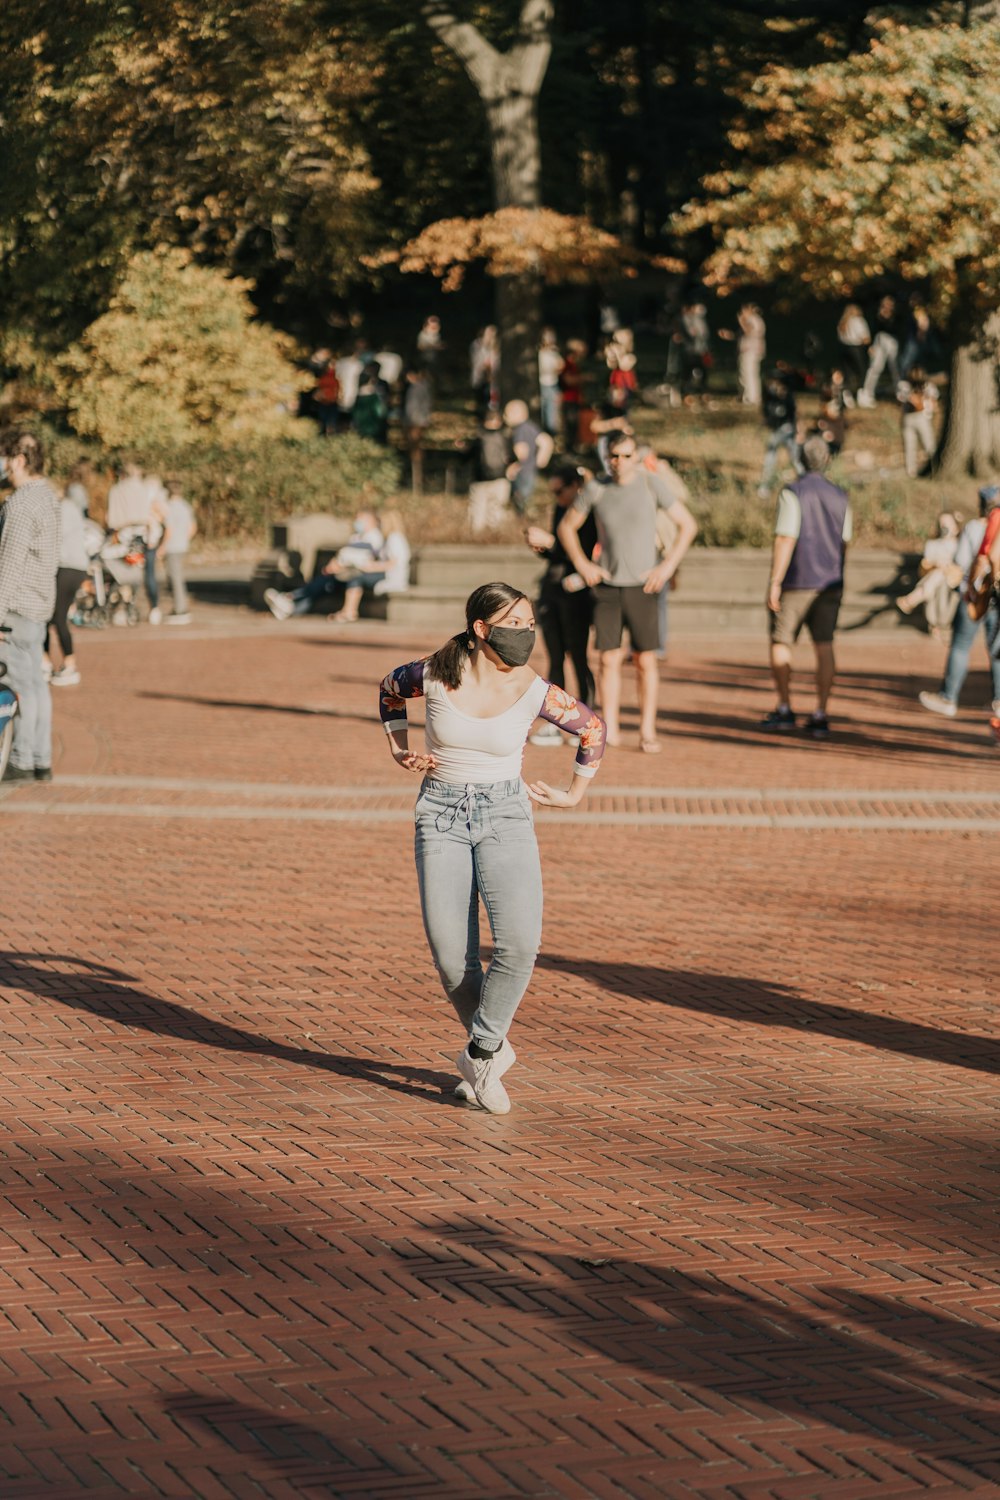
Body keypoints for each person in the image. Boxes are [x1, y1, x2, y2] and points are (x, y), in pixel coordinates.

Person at [378, 581, 606, 1113]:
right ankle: (491, 1055)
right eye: (516, 625)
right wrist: (399, 746)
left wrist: (574, 794)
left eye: (530, 625)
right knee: (451, 957)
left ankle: (480, 1052)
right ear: (482, 630)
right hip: (441, 813)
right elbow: (388, 689)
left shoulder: (534, 690)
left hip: (506, 813)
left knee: (521, 945)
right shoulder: (433, 673)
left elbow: (592, 729)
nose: (526, 634)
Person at [557, 428, 697, 752]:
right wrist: (583, 564)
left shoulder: (651, 483)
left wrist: (666, 567)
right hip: (607, 586)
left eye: (626, 456)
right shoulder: (597, 488)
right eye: (613, 456)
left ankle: (647, 730)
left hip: (644, 585)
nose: (619, 462)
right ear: (607, 458)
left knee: (645, 660)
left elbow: (687, 525)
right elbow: (567, 527)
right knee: (608, 659)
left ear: (636, 456)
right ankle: (612, 728)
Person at [761, 435, 852, 739]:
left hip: (798, 581)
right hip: (830, 582)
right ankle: (821, 710)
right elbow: (844, 543)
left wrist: (775, 581)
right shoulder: (841, 496)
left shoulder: (794, 492)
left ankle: (785, 706)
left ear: (801, 459)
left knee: (781, 641)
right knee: (824, 645)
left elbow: (786, 537)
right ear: (827, 460)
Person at [0, 429, 60, 783]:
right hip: (38, 605)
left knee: (21, 686)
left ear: (19, 460)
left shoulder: (21, 505)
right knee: (36, 685)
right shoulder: (47, 498)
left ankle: (21, 758)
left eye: (6, 458)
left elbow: (7, 567)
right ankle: (41, 758)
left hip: (17, 610)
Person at [524, 465, 598, 743]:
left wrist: (552, 542)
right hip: (553, 589)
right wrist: (545, 547)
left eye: (560, 490)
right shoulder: (561, 509)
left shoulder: (588, 511)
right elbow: (559, 555)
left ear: (576, 486)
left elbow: (584, 552)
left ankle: (587, 718)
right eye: (552, 491)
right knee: (554, 657)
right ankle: (556, 719)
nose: (556, 496)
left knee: (578, 656)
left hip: (576, 593)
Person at [918, 487, 1000, 720]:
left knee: (961, 645)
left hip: (975, 594)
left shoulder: (975, 527)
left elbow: (963, 561)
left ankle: (949, 696)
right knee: (995, 648)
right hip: (996, 596)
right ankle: (998, 700)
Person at [264, 510, 384, 620]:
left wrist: (339, 565)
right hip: (345, 573)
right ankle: (291, 606)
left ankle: (289, 598)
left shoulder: (374, 537)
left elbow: (361, 558)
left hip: (358, 574)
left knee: (324, 583)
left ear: (371, 520)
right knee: (323, 584)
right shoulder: (356, 537)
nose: (357, 522)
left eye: (360, 519)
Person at [44, 486, 91, 686]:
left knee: (56, 616)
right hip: (76, 566)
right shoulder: (71, 507)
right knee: (53, 617)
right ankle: (48, 662)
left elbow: (53, 536)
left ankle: (68, 664)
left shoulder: (61, 509)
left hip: (67, 566)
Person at [331, 510, 411, 623]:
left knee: (356, 578)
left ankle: (349, 612)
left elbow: (394, 563)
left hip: (392, 576)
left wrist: (372, 567)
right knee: (354, 577)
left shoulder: (395, 538)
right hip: (385, 573)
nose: (379, 525)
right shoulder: (388, 538)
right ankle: (348, 611)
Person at [896, 510, 961, 635]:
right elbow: (926, 565)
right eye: (942, 523)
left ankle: (913, 599)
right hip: (934, 579)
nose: (944, 526)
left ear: (955, 526)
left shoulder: (958, 545)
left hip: (951, 580)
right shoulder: (932, 544)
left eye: (947, 523)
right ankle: (938, 624)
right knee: (937, 576)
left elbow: (959, 567)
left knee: (939, 576)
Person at [466, 410, 513, 535]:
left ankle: (476, 536)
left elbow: (466, 457)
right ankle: (496, 536)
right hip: (500, 479)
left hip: (479, 480)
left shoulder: (478, 437)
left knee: (478, 509)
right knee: (496, 510)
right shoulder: (506, 437)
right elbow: (513, 457)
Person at [504, 400, 553, 515]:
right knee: (527, 497)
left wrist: (513, 466)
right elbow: (546, 441)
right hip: (531, 469)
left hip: (522, 470)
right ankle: (528, 516)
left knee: (520, 499)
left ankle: (521, 519)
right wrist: (541, 460)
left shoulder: (519, 430)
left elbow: (521, 452)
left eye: (506, 414)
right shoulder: (531, 426)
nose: (504, 418)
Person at [757, 368, 802, 497]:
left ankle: (805, 482)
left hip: (787, 430)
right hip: (776, 430)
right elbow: (766, 412)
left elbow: (793, 414)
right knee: (770, 459)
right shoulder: (768, 396)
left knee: (796, 458)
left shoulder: (787, 396)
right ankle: (765, 486)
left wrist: (797, 430)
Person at [160, 479, 197, 624]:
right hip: (182, 546)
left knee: (174, 578)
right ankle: (180, 607)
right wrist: (184, 539)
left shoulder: (169, 507)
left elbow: (169, 530)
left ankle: (180, 609)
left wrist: (162, 546)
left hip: (172, 547)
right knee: (177, 577)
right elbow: (193, 527)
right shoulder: (186, 506)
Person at [858, 294, 900, 406]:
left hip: (891, 342)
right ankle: (867, 393)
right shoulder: (875, 315)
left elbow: (896, 331)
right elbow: (872, 331)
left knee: (895, 368)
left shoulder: (896, 317)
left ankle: (900, 393)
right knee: (875, 368)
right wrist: (869, 346)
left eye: (889, 303)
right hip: (879, 341)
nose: (887, 306)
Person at [897, 367, 939, 478]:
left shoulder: (929, 386)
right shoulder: (904, 386)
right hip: (909, 417)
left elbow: (933, 403)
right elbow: (911, 401)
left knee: (929, 445)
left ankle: (934, 468)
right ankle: (911, 473)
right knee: (909, 446)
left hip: (921, 417)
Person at [720, 303, 766, 406]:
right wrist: (728, 335)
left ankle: (750, 397)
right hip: (747, 351)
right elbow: (741, 335)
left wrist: (741, 320)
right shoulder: (751, 320)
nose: (742, 312)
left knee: (748, 374)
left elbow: (749, 332)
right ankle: (748, 396)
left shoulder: (754, 320)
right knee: (745, 374)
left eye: (744, 309)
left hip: (750, 351)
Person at [403, 367, 434, 493]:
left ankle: (418, 478)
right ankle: (415, 476)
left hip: (416, 422)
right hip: (412, 421)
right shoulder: (415, 387)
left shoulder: (420, 388)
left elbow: (421, 407)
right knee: (412, 448)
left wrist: (419, 421)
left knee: (416, 449)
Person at [836, 304, 871, 403]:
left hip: (843, 348)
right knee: (862, 371)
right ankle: (861, 394)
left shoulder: (843, 322)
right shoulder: (858, 321)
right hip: (856, 348)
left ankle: (846, 395)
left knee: (847, 372)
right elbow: (865, 337)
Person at [538, 328, 564, 436]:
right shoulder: (539, 352)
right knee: (543, 412)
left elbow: (561, 365)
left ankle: (552, 435)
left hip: (552, 384)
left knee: (552, 413)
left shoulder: (554, 352)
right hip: (542, 384)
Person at [470, 325, 500, 414]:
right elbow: (478, 362)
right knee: (482, 399)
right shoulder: (477, 345)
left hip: (494, 379)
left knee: (493, 401)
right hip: (481, 378)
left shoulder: (496, 346)